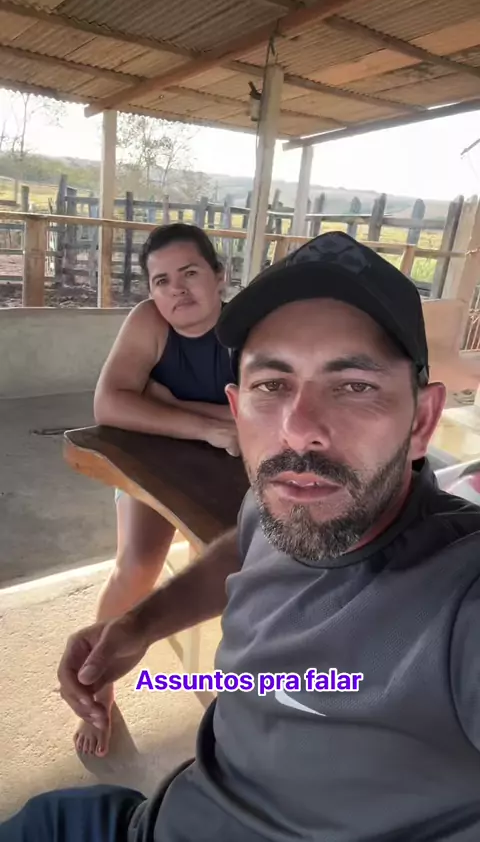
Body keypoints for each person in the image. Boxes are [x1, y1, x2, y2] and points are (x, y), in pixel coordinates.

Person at [5, 231, 480, 842]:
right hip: (154, 816)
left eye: (354, 386)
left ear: (422, 421)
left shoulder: (456, 594)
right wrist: (139, 625)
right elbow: (245, 543)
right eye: (271, 386)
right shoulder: (279, 500)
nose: (298, 430)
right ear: (236, 407)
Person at [75, 222, 238, 757]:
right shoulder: (149, 321)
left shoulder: (249, 329)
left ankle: (238, 694)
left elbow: (268, 415)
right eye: (161, 280)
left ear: (219, 276)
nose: (176, 291)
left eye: (189, 274)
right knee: (138, 566)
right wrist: (208, 424)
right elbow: (109, 405)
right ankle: (98, 683)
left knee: (229, 567)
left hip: (230, 470)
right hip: (152, 462)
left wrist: (164, 402)